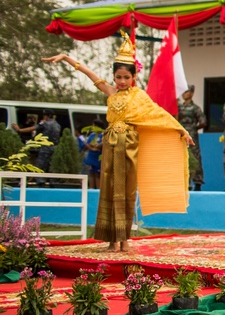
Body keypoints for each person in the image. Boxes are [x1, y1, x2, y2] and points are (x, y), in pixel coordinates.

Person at [42, 34, 193, 252]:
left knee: (127, 190)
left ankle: (125, 239)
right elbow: (90, 75)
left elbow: (158, 115)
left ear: (134, 77)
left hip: (129, 145)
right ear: (114, 77)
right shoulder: (111, 93)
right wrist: (66, 58)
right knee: (109, 189)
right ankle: (111, 240)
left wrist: (181, 130)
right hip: (111, 145)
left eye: (126, 77)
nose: (121, 81)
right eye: (118, 77)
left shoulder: (139, 97)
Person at [177, 85, 207, 191]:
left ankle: (197, 182)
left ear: (192, 93)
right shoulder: (178, 107)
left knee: (195, 157)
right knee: (180, 158)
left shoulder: (195, 108)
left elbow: (203, 122)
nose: (185, 94)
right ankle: (182, 181)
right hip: (179, 136)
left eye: (187, 92)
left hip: (191, 136)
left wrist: (194, 128)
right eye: (183, 92)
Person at [83, 119, 106, 190]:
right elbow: (87, 143)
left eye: (94, 126)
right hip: (91, 156)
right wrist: (92, 148)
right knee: (91, 173)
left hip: (98, 157)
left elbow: (102, 145)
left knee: (98, 174)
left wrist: (96, 145)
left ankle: (98, 189)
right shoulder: (92, 135)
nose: (92, 127)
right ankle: (91, 188)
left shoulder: (103, 135)